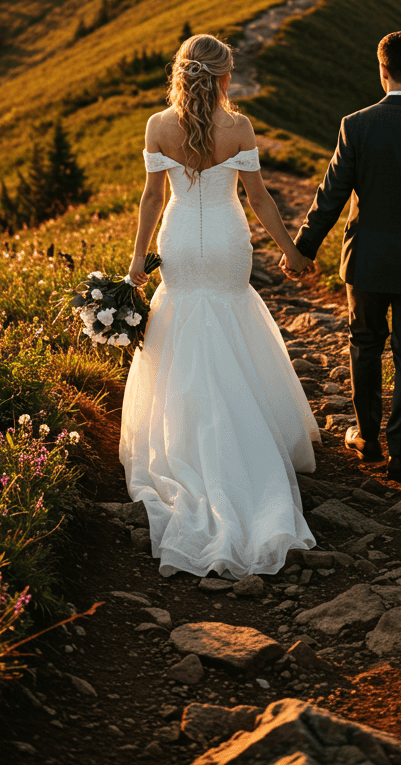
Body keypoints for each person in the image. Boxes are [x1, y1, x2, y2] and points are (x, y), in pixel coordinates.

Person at [119, 33, 318, 579]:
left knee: (181, 326)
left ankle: (186, 436)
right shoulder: (239, 127)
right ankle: (247, 440)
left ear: (181, 75)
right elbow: (257, 198)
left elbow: (152, 198)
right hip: (228, 241)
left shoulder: (159, 126)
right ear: (224, 77)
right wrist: (291, 252)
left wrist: (138, 260)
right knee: (231, 319)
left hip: (180, 240)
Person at [285, 31, 401, 484]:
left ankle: (368, 439)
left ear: (382, 70)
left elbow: (330, 195)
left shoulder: (357, 124)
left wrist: (302, 249)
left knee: (365, 343)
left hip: (367, 261)